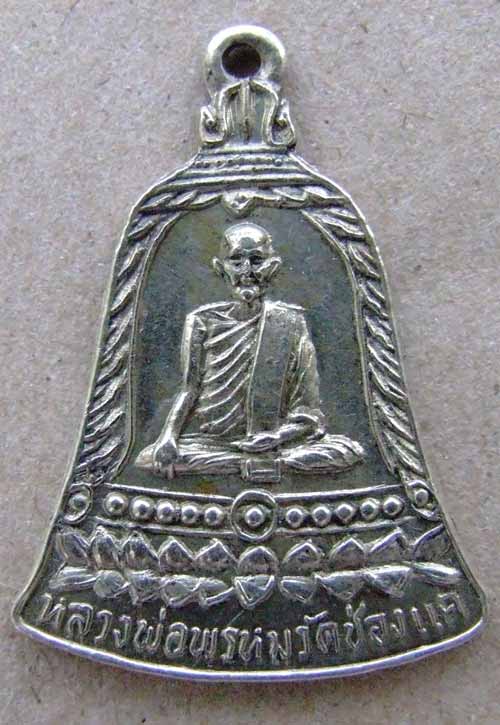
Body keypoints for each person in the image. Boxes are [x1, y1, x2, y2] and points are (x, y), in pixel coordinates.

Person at [135, 222, 364, 482]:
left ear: (272, 267)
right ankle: (258, 464)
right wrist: (168, 437)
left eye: (256, 261)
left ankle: (256, 462)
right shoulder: (202, 321)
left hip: (275, 442)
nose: (247, 271)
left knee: (346, 452)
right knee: (148, 458)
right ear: (220, 268)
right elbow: (189, 388)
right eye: (236, 261)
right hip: (214, 444)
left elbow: (309, 414)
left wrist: (275, 437)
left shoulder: (290, 322)